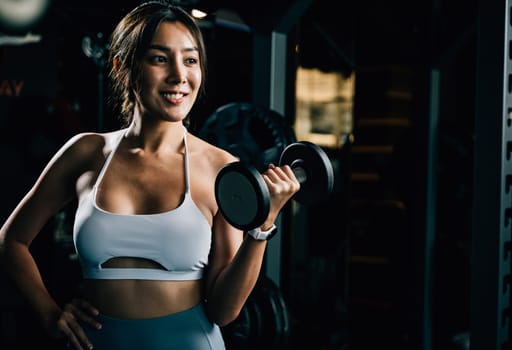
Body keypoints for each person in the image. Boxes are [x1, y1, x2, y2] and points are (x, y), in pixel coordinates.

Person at [0, 1, 300, 349]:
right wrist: (50, 314)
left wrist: (262, 228)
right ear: (124, 68)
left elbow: (224, 310)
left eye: (190, 60)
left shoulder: (220, 168)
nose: (179, 75)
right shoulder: (86, 153)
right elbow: (11, 241)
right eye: (159, 58)